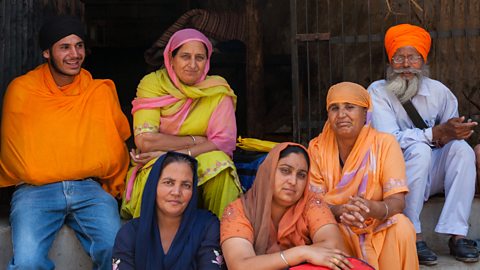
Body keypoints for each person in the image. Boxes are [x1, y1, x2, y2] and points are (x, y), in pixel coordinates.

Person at [0, 15, 130, 269]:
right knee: (27, 263)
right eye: (65, 47)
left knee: (116, 253)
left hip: (89, 191)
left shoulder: (98, 91)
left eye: (79, 46)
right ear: (47, 53)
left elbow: (114, 147)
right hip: (35, 192)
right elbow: (19, 157)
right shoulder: (23, 90)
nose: (75, 54)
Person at [367, 23, 479, 264]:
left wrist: (455, 132)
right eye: (399, 58)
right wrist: (433, 134)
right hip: (394, 175)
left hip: (432, 171)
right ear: (390, 61)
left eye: (413, 58)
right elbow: (388, 139)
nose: (406, 65)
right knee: (419, 149)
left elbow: (449, 136)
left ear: (423, 60)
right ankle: (413, 235)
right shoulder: (377, 92)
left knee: (462, 150)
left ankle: (457, 235)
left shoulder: (440, 93)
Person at [121, 28, 240, 219]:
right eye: (185, 56)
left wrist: (171, 153)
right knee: (161, 171)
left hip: (191, 157)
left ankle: (225, 237)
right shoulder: (153, 84)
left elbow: (222, 143)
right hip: (157, 160)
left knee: (221, 165)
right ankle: (152, 243)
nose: (192, 65)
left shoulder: (217, 90)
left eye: (199, 58)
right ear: (171, 59)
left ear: (207, 61)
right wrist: (196, 140)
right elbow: (146, 141)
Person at [308, 82, 419, 270]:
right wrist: (340, 210)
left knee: (402, 226)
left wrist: (370, 209)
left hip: (375, 225)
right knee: (321, 230)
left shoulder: (385, 144)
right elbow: (312, 203)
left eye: (350, 107)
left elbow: (397, 202)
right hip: (335, 226)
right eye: (335, 108)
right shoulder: (317, 148)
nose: (342, 115)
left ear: (365, 113)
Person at [221, 142, 352, 270]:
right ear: (268, 172)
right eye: (285, 171)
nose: (293, 181)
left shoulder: (311, 203)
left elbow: (335, 247)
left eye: (301, 175)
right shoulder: (240, 211)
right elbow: (240, 265)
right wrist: (301, 253)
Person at [113, 152, 224, 269]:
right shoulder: (129, 234)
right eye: (168, 183)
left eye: (186, 185)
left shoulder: (207, 226)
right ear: (153, 185)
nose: (176, 192)